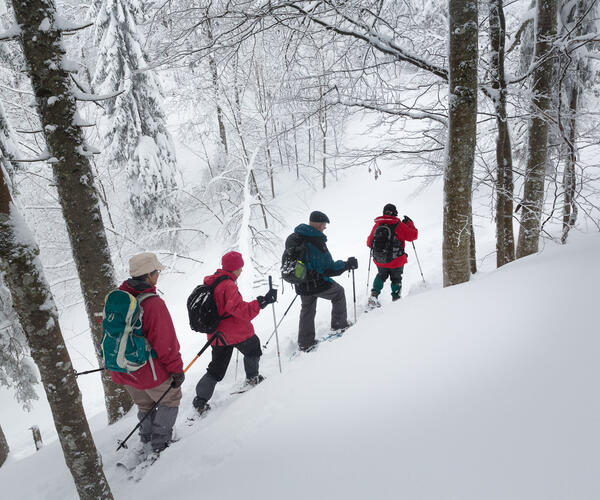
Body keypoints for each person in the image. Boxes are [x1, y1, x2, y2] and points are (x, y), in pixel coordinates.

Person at [110, 252, 185, 456]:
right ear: (149, 276)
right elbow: (166, 344)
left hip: (123, 369)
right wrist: (176, 370)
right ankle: (160, 444)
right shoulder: (152, 304)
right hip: (148, 370)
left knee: (145, 403)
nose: (158, 275)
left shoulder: (119, 298)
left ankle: (146, 440)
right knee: (170, 399)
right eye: (157, 272)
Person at [192, 251, 276, 416]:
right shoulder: (228, 285)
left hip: (217, 334)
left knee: (216, 369)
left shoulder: (214, 280)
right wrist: (262, 301)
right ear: (235, 268)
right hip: (235, 331)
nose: (242, 270)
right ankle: (252, 378)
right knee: (253, 348)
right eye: (240, 267)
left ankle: (200, 400)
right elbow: (242, 311)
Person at [285, 211, 357, 352]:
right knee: (338, 293)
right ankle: (339, 326)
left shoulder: (296, 237)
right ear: (318, 224)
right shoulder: (316, 241)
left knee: (307, 308)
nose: (324, 227)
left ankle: (305, 343)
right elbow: (328, 268)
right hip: (317, 283)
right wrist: (347, 264)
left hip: (301, 282)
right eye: (324, 224)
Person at [366, 203, 418, 306]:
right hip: (396, 261)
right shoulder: (398, 225)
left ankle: (374, 295)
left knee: (381, 275)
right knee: (396, 278)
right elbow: (413, 236)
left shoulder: (378, 225)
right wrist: (409, 224)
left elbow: (369, 243)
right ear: (395, 213)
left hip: (380, 260)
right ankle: (396, 299)